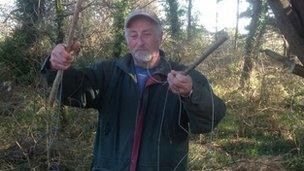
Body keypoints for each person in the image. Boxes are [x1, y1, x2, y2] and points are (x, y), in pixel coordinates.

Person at [41, 8, 226, 171]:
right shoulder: (108, 72)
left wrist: (190, 92)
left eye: (147, 34)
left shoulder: (186, 76)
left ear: (160, 37)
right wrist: (54, 65)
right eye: (133, 35)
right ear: (126, 39)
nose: (140, 41)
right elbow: (72, 92)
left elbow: (210, 119)